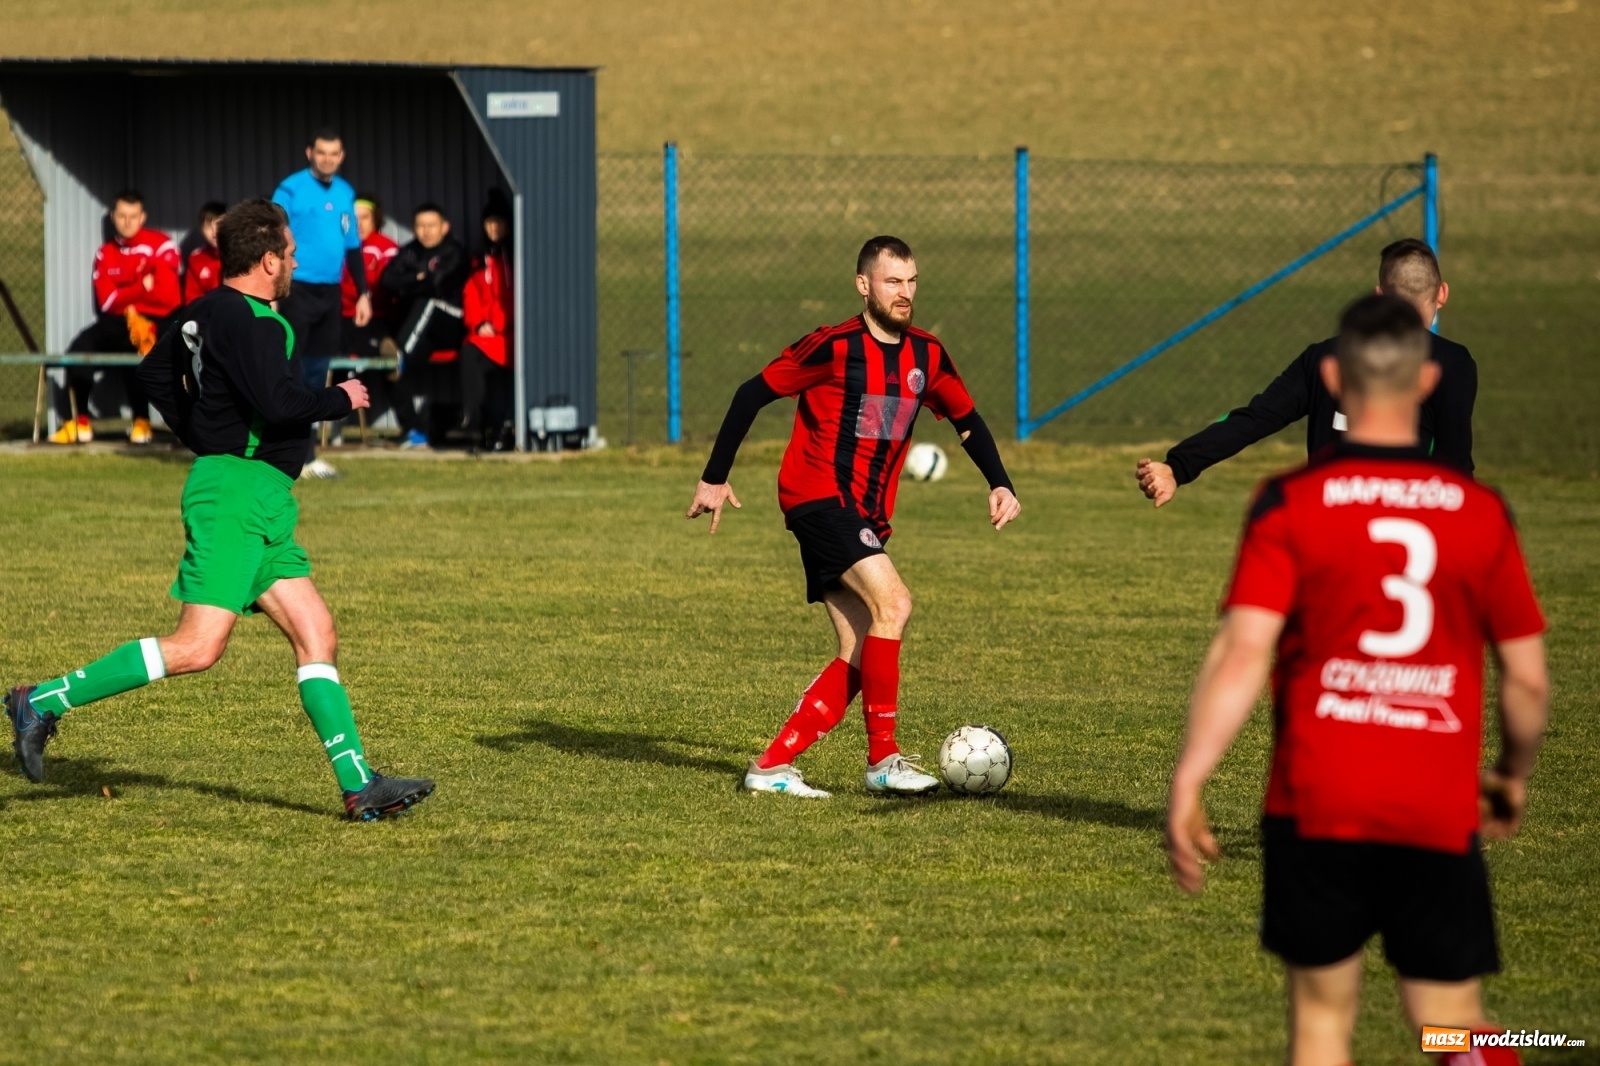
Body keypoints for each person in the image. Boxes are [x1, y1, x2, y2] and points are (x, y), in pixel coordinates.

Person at [1165, 294, 1547, 1065]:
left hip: (1317, 802)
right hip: (1433, 805)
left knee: (1321, 1025)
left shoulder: (1290, 502)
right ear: (1427, 382)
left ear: (1335, 377)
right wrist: (1510, 774)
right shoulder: (1479, 512)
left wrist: (1190, 778)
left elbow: (1243, 652)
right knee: (1451, 1022)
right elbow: (1528, 680)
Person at [5, 200, 435, 822]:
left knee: (317, 632)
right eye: (290, 254)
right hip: (238, 495)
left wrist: (200, 434)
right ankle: (42, 700)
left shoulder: (203, 310)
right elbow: (279, 401)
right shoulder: (260, 322)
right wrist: (339, 398)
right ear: (268, 261)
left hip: (257, 497)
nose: (295, 263)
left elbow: (155, 374)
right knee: (198, 646)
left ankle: (359, 784)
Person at [687, 236, 1022, 798]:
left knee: (863, 650)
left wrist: (1000, 482)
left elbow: (967, 420)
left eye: (912, 281)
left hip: (866, 513)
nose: (905, 293)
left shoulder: (928, 355)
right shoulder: (833, 346)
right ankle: (883, 760)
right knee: (896, 603)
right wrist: (714, 477)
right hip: (818, 497)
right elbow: (750, 394)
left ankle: (771, 765)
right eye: (893, 282)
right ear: (864, 285)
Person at [1136, 239, 1477, 507]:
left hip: (1327, 523)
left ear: (1379, 297)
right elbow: (1455, 463)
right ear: (1442, 293)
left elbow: (1255, 418)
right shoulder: (1453, 363)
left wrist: (1178, 467)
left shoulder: (1323, 357)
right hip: (1414, 524)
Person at [272, 128, 371, 478]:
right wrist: (274, 291)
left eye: (334, 153)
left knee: (317, 372)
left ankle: (309, 455)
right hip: (296, 290)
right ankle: (285, 452)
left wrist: (363, 293)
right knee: (292, 371)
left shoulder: (345, 192)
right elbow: (272, 240)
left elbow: (353, 246)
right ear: (309, 153)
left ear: (341, 157)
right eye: (321, 152)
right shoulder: (290, 189)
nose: (327, 159)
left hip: (330, 294)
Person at [51, 189, 180, 446]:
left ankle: (142, 420)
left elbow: (167, 297)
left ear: (142, 217)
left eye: (133, 216)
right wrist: (141, 286)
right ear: (113, 217)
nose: (127, 222)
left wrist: (125, 294)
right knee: (79, 348)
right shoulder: (105, 253)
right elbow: (107, 302)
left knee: (136, 350)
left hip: (157, 320)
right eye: (122, 216)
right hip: (117, 320)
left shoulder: (162, 244)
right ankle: (80, 421)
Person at [381, 202, 467, 449]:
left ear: (444, 227)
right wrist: (416, 278)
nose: (426, 231)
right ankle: (414, 430)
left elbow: (437, 285)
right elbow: (387, 280)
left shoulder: (454, 252)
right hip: (421, 330)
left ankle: (401, 353)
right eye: (420, 226)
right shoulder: (410, 251)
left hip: (451, 324)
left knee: (426, 303)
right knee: (390, 365)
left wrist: (408, 284)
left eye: (431, 225)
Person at [460, 192, 514, 451]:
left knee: (497, 371)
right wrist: (479, 323)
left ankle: (498, 426)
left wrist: (498, 324)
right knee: (470, 355)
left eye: (500, 222)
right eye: (490, 222)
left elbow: (513, 298)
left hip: (510, 334)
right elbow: (470, 295)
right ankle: (475, 422)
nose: (494, 228)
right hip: (485, 334)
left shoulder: (516, 256)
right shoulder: (478, 258)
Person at [183, 201, 227, 304]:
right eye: (208, 227)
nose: (214, 233)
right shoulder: (196, 259)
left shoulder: (241, 254)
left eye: (219, 225)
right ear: (201, 230)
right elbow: (191, 300)